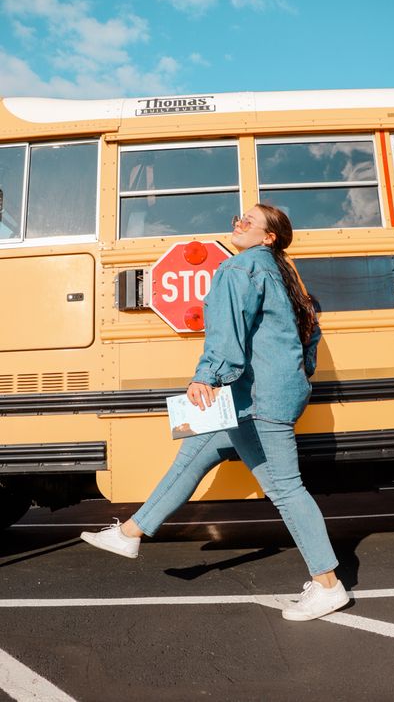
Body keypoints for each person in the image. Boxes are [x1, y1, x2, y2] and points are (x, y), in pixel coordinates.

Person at [81, 204, 349, 622]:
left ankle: (329, 585)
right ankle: (130, 533)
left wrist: (209, 375)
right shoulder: (286, 276)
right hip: (261, 396)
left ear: (268, 237)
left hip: (259, 400)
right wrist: (293, 373)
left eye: (248, 221)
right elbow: (310, 334)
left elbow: (227, 330)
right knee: (196, 452)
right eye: (237, 218)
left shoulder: (238, 269)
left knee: (286, 489)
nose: (237, 224)